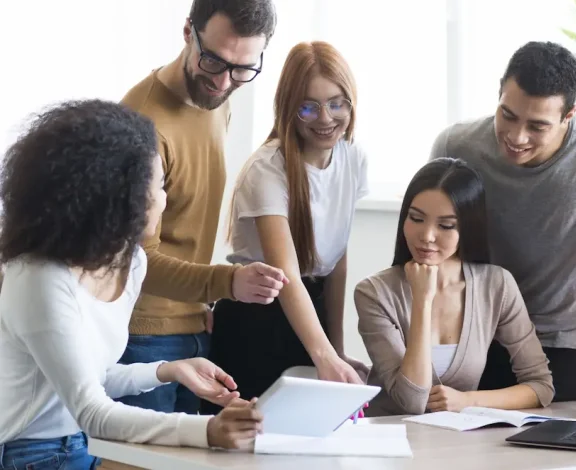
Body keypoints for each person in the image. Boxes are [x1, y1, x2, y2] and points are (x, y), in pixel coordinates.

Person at [0, 100, 264, 470]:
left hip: (79, 444)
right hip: (28, 454)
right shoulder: (39, 278)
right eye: (158, 185)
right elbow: (92, 410)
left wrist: (171, 369)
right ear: (115, 196)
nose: (164, 199)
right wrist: (207, 430)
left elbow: (95, 378)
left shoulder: (130, 260)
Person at [430, 41, 576, 424]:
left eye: (537, 126)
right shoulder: (456, 145)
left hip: (564, 340)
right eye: (508, 115)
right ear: (499, 93)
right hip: (477, 335)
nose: (517, 137)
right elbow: (435, 250)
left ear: (569, 115)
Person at [118, 0, 287, 414]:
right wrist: (227, 283)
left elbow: (186, 226)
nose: (225, 81)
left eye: (243, 69)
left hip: (195, 326)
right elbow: (136, 260)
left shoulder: (218, 98)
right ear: (187, 31)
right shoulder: (143, 123)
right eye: (213, 61)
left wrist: (203, 302)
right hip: (143, 337)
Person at [203, 41, 370, 412]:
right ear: (290, 110)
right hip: (258, 318)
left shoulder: (353, 158)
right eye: (309, 106)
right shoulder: (268, 168)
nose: (325, 118)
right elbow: (286, 273)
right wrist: (324, 355)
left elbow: (336, 260)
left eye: (336, 103)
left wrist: (336, 348)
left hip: (310, 314)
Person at [354, 158, 554, 416]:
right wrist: (422, 300)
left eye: (445, 225)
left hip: (455, 445)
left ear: (468, 228)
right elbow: (412, 401)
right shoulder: (373, 292)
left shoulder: (497, 285)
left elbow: (541, 388)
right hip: (389, 439)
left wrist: (469, 400)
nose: (426, 236)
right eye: (416, 219)